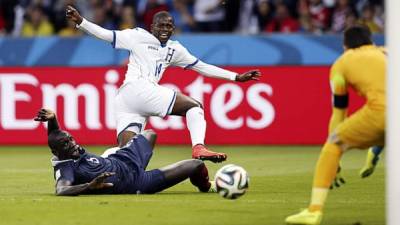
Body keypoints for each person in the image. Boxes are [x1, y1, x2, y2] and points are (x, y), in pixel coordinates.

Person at [66, 5, 261, 163]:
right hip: (136, 90)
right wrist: (81, 22)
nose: (165, 29)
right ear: (152, 27)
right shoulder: (137, 36)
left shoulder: (175, 49)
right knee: (195, 107)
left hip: (128, 102)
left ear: (173, 29)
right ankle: (198, 147)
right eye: (161, 25)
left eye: (169, 26)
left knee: (126, 156)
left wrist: (236, 77)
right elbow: (106, 34)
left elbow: (202, 67)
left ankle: (89, 164)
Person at [285, 25, 385, 225]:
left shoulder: (342, 64)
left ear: (345, 45)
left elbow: (340, 112)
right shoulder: (388, 51)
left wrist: (334, 159)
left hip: (381, 112)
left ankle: (313, 211)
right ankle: (374, 151)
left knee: (334, 144)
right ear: (372, 41)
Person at [34, 108, 213, 196]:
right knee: (196, 165)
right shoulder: (65, 168)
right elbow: (61, 190)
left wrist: (53, 119)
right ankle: (207, 187)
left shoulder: (67, 148)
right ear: (57, 151)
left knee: (150, 134)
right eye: (66, 144)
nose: (72, 144)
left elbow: (56, 137)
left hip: (122, 159)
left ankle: (134, 157)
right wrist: (89, 187)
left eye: (71, 138)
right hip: (135, 182)